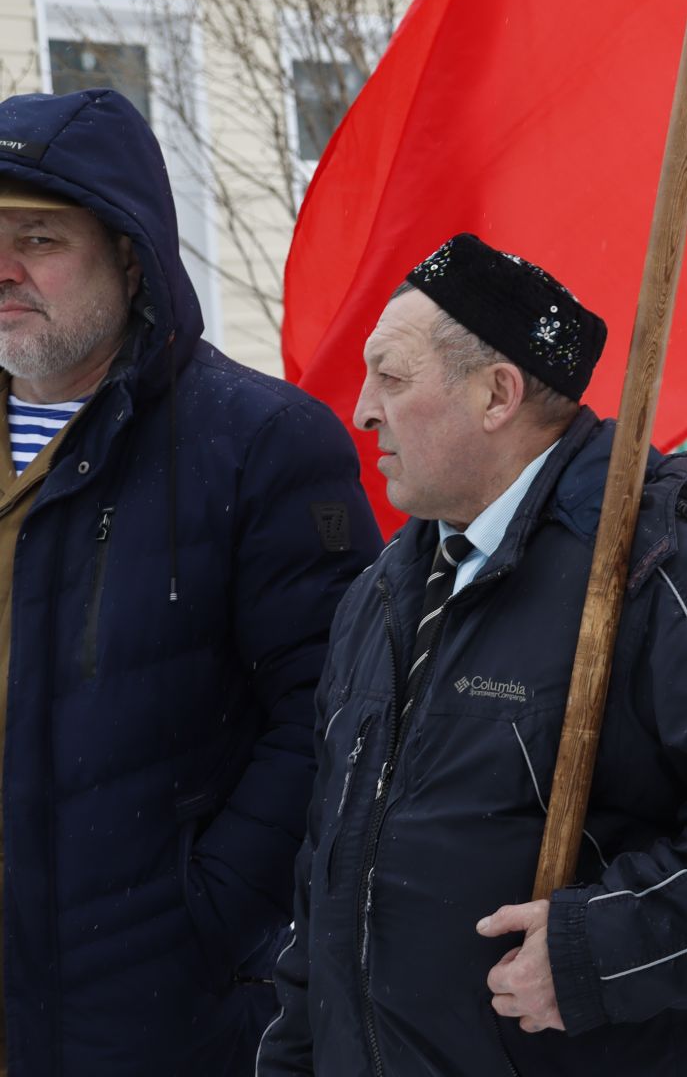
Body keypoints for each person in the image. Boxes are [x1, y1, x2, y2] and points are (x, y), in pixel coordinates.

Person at [257, 235, 687, 1075]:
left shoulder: (654, 559)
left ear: (497, 394)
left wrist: (598, 954)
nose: (362, 411)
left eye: (391, 374)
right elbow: (333, 874)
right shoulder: (384, 592)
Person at [0, 88, 380, 1074]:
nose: (4, 270)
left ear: (129, 253)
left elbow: (332, 711)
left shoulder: (260, 443)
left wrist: (207, 910)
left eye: (38, 238)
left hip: (154, 1010)